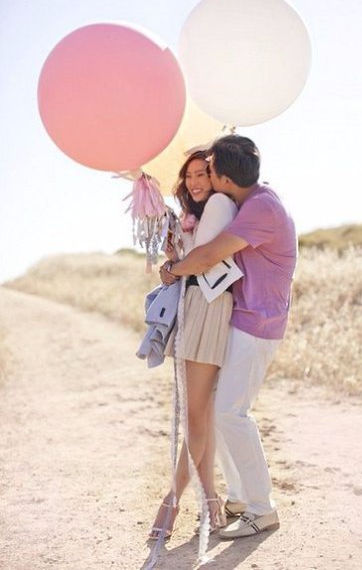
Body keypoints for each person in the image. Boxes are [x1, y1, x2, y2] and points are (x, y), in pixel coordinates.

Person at [160, 134, 297, 539]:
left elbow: (207, 256)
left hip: (258, 325)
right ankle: (239, 496)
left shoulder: (261, 207)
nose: (205, 176)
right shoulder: (252, 201)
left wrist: (172, 270)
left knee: (230, 413)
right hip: (244, 318)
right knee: (221, 411)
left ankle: (262, 508)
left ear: (224, 178)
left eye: (211, 169)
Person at [149, 150, 239, 540]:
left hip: (209, 305)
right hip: (195, 305)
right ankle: (211, 501)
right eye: (189, 176)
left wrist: (176, 264)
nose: (195, 182)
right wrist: (173, 256)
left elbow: (202, 260)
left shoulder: (220, 207)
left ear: (216, 177)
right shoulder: (197, 215)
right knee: (198, 416)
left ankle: (172, 501)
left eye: (202, 174)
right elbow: (189, 259)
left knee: (196, 414)